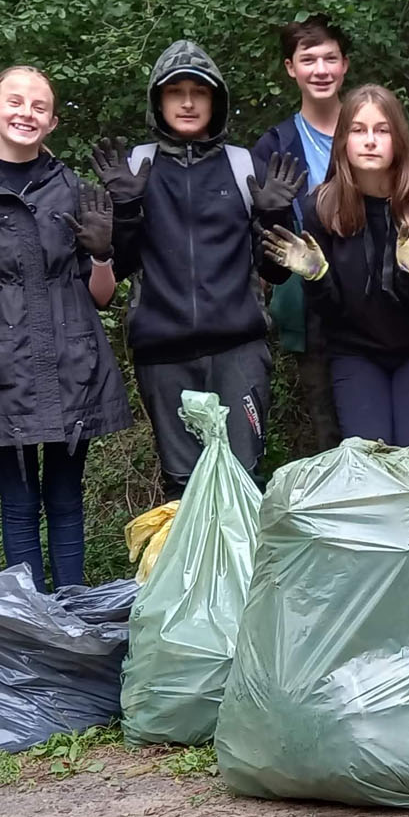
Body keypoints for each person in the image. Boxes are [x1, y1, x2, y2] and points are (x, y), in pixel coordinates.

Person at [0, 65, 130, 591]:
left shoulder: (72, 189)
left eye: (39, 106)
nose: (26, 113)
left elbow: (101, 296)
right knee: (18, 501)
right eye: (14, 101)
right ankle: (32, 618)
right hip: (2, 367)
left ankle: (73, 607)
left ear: (53, 121)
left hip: (71, 361)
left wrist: (102, 254)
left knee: (66, 497)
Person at [93, 39, 304, 495]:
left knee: (243, 479)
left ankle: (245, 549)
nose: (187, 103)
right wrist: (125, 210)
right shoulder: (136, 167)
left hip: (238, 351)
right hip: (163, 354)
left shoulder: (243, 165)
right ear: (158, 101)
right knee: (183, 487)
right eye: (175, 92)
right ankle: (187, 549)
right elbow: (120, 266)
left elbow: (276, 273)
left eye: (199, 92)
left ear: (216, 101)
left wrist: (275, 217)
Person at [260, 84, 409, 452]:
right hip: (356, 352)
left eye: (382, 130)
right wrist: (316, 277)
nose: (370, 141)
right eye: (358, 130)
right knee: (370, 461)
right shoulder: (322, 206)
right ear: (343, 141)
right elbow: (331, 313)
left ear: (398, 139)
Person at [251, 15, 349, 455]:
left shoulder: (372, 127)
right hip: (314, 316)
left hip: (387, 306)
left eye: (330, 58)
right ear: (291, 68)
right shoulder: (275, 145)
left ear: (345, 65)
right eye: (309, 60)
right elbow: (262, 244)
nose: (321, 70)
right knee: (336, 441)